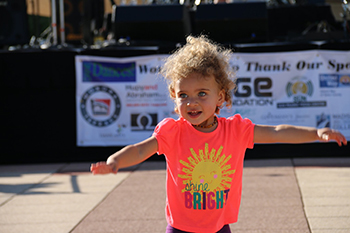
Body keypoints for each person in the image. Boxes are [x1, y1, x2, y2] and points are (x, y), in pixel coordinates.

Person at [90, 35, 347, 233]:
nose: (192, 102)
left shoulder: (235, 130)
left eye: (202, 93)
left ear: (220, 97)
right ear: (173, 96)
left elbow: (278, 131)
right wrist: (115, 162)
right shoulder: (172, 131)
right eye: (184, 95)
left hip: (219, 227)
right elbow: (140, 149)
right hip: (179, 228)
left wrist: (317, 132)